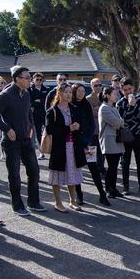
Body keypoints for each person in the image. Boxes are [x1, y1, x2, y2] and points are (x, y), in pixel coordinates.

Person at [0, 66, 45, 216]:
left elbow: (29, 112)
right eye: (27, 78)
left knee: (34, 171)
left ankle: (33, 202)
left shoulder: (27, 94)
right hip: (11, 142)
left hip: (26, 139)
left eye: (30, 77)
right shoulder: (5, 95)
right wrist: (7, 129)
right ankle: (17, 205)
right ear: (17, 78)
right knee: (14, 175)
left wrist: (30, 126)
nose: (30, 80)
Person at [45, 83, 86, 212]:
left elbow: (82, 124)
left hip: (73, 146)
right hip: (59, 148)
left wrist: (79, 127)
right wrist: (68, 128)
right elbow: (50, 129)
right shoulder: (52, 111)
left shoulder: (74, 108)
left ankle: (72, 201)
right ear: (59, 93)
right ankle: (58, 202)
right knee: (57, 174)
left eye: (70, 92)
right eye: (66, 92)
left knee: (72, 174)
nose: (68, 95)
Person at [72, 84, 109, 206]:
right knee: (76, 169)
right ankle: (79, 196)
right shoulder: (70, 105)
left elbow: (92, 125)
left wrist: (86, 139)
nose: (81, 93)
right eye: (78, 91)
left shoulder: (86, 104)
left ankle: (102, 194)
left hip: (88, 142)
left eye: (83, 91)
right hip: (74, 143)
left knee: (93, 169)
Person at [117, 78, 140, 195]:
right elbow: (123, 120)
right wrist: (131, 107)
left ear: (133, 88)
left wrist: (131, 116)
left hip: (139, 135)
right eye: (125, 90)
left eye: (129, 89)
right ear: (122, 91)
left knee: (139, 161)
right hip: (126, 136)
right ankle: (126, 186)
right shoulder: (120, 103)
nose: (127, 92)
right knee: (125, 162)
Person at [98, 86, 126, 198]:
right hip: (109, 140)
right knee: (111, 166)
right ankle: (108, 189)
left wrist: (120, 122)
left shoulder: (113, 108)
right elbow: (116, 122)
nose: (117, 96)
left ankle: (113, 188)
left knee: (114, 167)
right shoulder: (104, 108)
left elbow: (120, 122)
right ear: (107, 95)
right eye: (114, 94)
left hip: (116, 140)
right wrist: (120, 122)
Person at [86, 78, 105, 173]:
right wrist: (99, 110)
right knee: (91, 151)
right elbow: (91, 113)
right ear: (91, 86)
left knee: (102, 151)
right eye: (95, 85)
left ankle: (101, 168)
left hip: (103, 129)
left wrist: (98, 109)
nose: (98, 87)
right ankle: (92, 169)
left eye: (99, 85)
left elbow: (106, 112)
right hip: (92, 129)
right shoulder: (87, 99)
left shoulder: (105, 97)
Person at [30, 72, 50, 159]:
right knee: (38, 133)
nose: (38, 81)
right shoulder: (29, 90)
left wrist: (39, 101)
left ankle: (50, 149)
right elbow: (30, 102)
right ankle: (41, 152)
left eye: (40, 80)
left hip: (45, 114)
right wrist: (36, 102)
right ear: (33, 80)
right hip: (35, 115)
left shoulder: (47, 89)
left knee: (49, 131)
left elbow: (46, 101)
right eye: (37, 79)